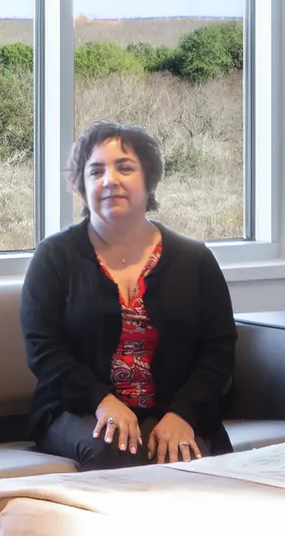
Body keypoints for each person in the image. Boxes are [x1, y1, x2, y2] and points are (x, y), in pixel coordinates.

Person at [23, 120, 235, 471]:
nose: (110, 180)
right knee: (114, 449)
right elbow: (43, 351)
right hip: (78, 410)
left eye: (125, 167)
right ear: (81, 187)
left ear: (149, 180)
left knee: (186, 453)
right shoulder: (54, 257)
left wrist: (182, 413)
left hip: (172, 411)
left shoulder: (194, 259)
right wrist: (102, 400)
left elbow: (219, 351)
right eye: (95, 172)